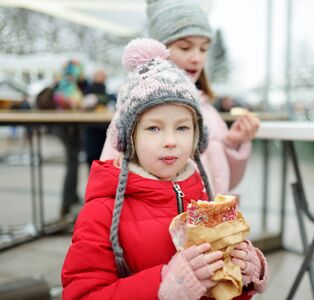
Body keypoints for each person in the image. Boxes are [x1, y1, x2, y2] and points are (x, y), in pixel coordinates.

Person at [61, 38, 268, 299]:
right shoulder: (102, 211)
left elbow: (218, 288)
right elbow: (82, 294)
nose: (170, 141)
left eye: (182, 127)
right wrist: (163, 285)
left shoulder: (204, 197)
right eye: (153, 128)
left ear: (197, 137)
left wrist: (245, 274)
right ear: (129, 137)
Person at [100, 0, 260, 195]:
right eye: (185, 47)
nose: (197, 58)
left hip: (207, 223)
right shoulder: (137, 110)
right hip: (165, 223)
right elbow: (110, 181)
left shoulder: (207, 110)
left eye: (203, 49)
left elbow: (225, 183)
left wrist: (231, 143)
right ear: (159, 49)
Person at [53, 60, 88, 217]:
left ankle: (71, 198)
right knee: (72, 165)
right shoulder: (68, 84)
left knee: (72, 164)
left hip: (66, 129)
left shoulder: (62, 82)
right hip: (69, 129)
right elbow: (76, 103)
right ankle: (67, 203)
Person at [83, 69, 110, 169]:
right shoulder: (90, 89)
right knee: (93, 157)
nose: (102, 77)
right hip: (93, 129)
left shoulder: (104, 89)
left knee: (100, 159)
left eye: (103, 75)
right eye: (100, 75)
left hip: (102, 129)